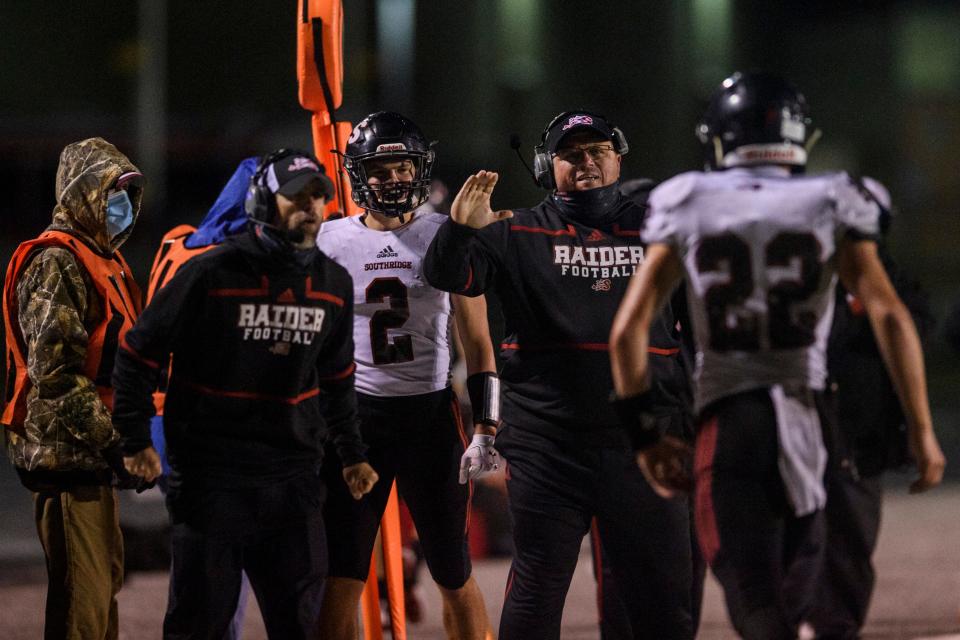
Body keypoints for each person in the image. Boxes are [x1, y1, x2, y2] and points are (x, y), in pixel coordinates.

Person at [609, 72, 946, 640]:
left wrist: (645, 438)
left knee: (755, 600)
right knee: (797, 597)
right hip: (809, 423)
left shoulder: (687, 197)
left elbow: (627, 333)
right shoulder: (832, 195)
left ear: (719, 138)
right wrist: (921, 429)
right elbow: (891, 315)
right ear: (799, 139)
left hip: (730, 419)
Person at [423, 111, 696, 639]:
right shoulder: (517, 230)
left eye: (597, 151)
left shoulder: (658, 228)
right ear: (549, 166)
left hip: (644, 442)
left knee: (663, 597)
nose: (587, 161)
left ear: (619, 158)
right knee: (538, 587)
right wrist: (458, 229)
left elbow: (696, 328)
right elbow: (445, 275)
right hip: (550, 448)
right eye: (572, 154)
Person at [110, 149, 378, 639]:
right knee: (201, 624)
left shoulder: (333, 283)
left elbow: (338, 381)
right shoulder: (211, 273)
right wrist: (134, 437)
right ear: (262, 203)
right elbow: (138, 352)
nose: (312, 207)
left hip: (292, 483)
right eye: (297, 197)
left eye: (319, 195)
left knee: (300, 625)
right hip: (213, 484)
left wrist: (352, 455)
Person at [316, 111, 494, 640]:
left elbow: (478, 341)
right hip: (356, 421)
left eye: (403, 167)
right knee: (342, 573)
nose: (393, 178)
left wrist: (486, 425)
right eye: (380, 168)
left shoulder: (447, 233)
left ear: (420, 169)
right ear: (356, 174)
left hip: (431, 417)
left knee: (454, 572)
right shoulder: (329, 241)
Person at [1, 137, 145, 639]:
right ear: (83, 195)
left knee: (100, 586)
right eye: (111, 193)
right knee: (80, 604)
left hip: (93, 456)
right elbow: (56, 372)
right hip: (65, 455)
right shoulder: (58, 262)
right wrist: (116, 444)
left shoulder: (105, 260)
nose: (121, 205)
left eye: (127, 192)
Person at [807, 178, 935, 639]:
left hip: (859, 432)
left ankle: (834, 627)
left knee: (850, 539)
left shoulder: (891, 281)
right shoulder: (804, 271)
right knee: (789, 534)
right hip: (797, 423)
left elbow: (913, 327)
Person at [142, 156, 262, 640]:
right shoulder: (229, 265)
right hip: (204, 436)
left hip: (166, 426)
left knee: (198, 572)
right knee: (216, 576)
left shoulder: (178, 243)